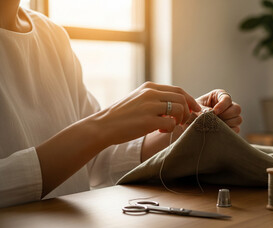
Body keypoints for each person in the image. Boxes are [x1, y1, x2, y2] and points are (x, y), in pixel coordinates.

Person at [0, 1, 242, 208]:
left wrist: (185, 125)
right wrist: (103, 126)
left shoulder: (50, 34)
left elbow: (95, 159)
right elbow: (93, 138)